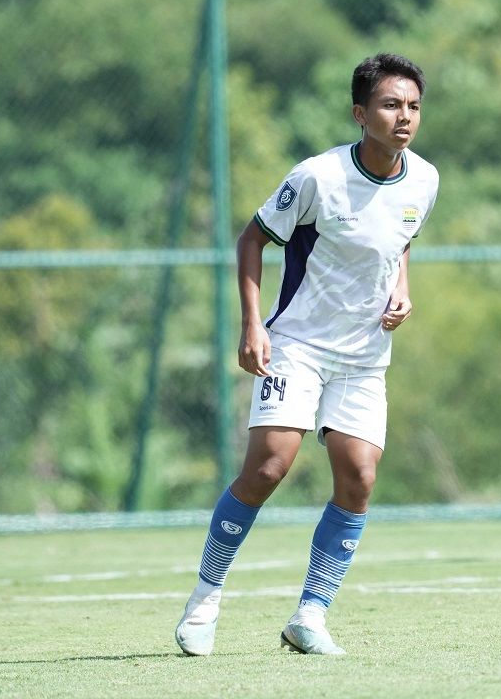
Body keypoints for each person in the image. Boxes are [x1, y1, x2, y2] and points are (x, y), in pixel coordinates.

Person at [174, 53, 438, 655]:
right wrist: (252, 325)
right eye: (391, 105)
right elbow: (252, 238)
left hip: (365, 356)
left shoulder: (424, 179)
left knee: (360, 478)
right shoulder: (317, 177)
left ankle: (310, 617)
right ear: (360, 113)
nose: (405, 117)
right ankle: (204, 600)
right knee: (269, 467)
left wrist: (402, 289)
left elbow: (398, 242)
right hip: (297, 346)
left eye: (414, 106)